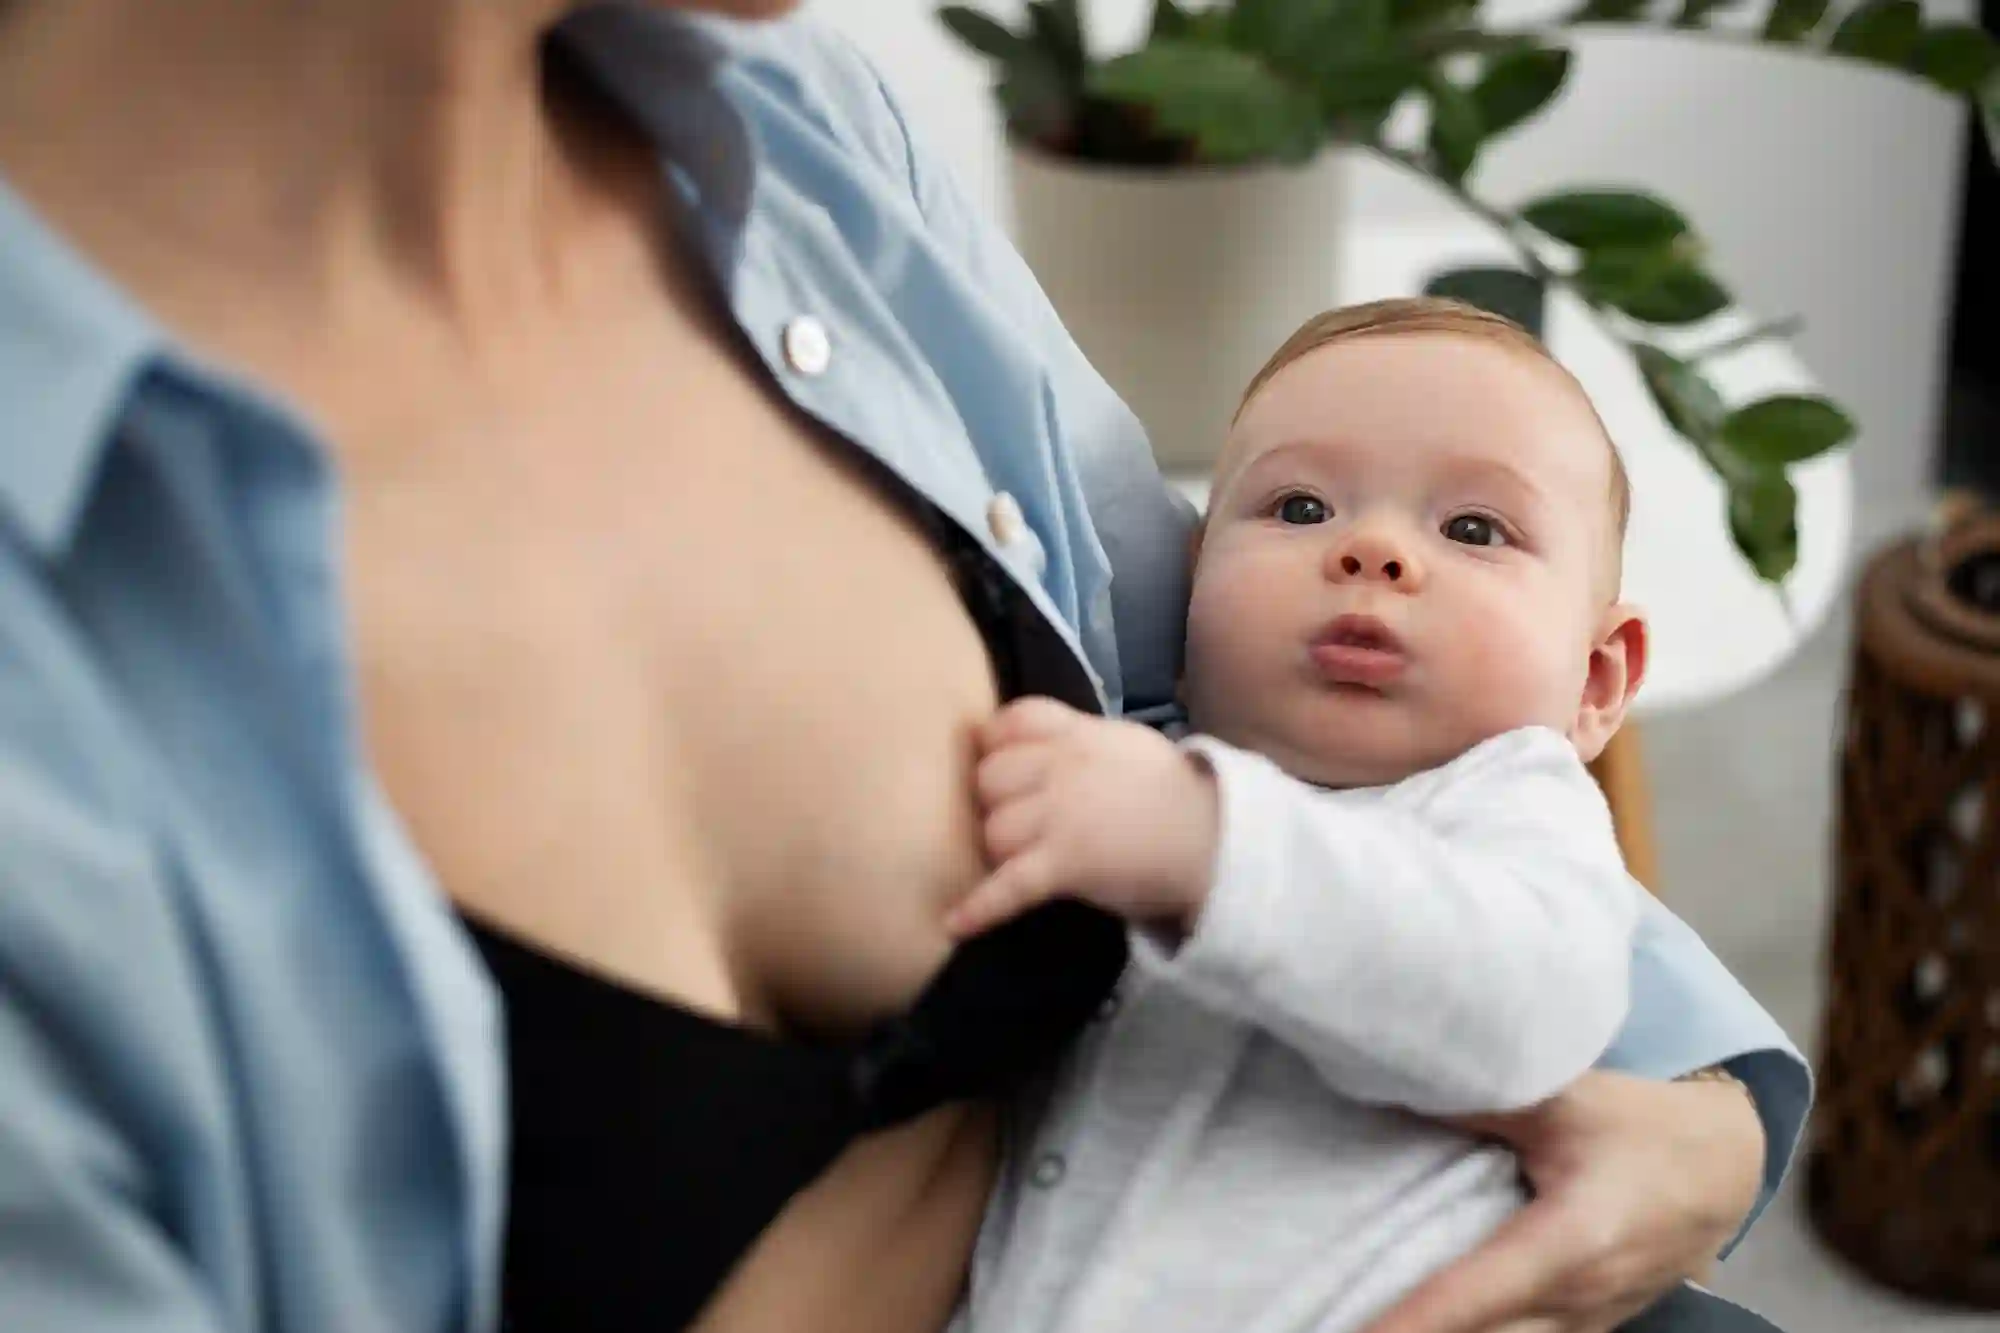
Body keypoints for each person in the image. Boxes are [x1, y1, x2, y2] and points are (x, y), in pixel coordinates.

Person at [0, 3, 1807, 1332]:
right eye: (1312, 497)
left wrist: (1694, 1128)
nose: (1375, 549)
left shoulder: (795, 144)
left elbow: (1281, 743)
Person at [944, 298, 1780, 1333]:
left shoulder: (1508, 808)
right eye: (1298, 508)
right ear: (1189, 589)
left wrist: (1202, 846)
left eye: (1474, 528)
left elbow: (1526, 1008)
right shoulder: (1141, 777)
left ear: (1596, 678)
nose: (1373, 550)